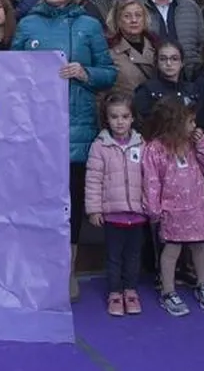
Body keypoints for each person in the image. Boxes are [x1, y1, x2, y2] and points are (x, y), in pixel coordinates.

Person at [14, 0, 117, 302]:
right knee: (37, 202)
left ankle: (68, 271)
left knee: (70, 206)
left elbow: (109, 73)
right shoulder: (28, 24)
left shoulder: (88, 24)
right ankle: (38, 269)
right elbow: (10, 72)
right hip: (37, 129)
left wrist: (85, 73)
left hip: (76, 127)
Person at [141, 95, 204, 317]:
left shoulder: (192, 145)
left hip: (197, 207)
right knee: (171, 250)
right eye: (190, 121)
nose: (194, 126)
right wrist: (154, 210)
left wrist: (203, 142)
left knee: (199, 247)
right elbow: (152, 181)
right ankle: (168, 291)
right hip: (172, 212)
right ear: (174, 123)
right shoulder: (155, 149)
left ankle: (202, 284)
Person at [85, 94, 147, 317]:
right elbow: (93, 179)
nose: (120, 122)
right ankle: (114, 292)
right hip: (113, 215)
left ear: (132, 118)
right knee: (113, 257)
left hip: (137, 214)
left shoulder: (142, 144)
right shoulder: (99, 146)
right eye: (114, 117)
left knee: (133, 256)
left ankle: (130, 290)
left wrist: (152, 206)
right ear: (107, 119)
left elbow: (149, 178)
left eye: (125, 116)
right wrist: (94, 209)